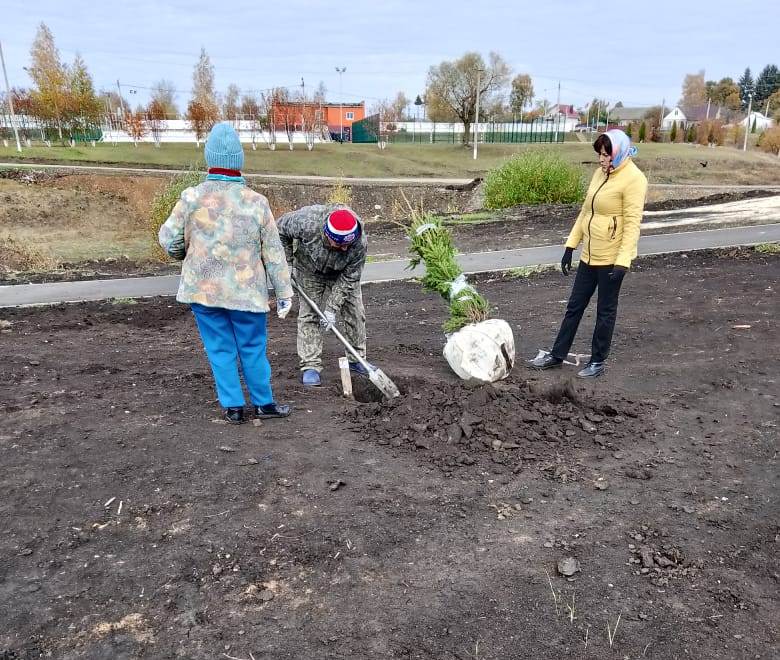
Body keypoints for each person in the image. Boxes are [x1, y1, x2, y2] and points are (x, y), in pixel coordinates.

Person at [159, 122, 294, 424]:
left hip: (204, 290)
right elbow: (273, 251)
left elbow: (169, 239)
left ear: (210, 159)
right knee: (252, 347)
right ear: (239, 162)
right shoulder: (257, 203)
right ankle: (264, 404)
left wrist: (184, 252)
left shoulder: (192, 197)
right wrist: (284, 292)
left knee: (219, 348)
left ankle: (233, 408)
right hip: (246, 292)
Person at [529, 129, 648, 378]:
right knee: (574, 307)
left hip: (612, 259)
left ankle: (597, 361)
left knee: (605, 311)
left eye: (606, 155)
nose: (601, 160)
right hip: (589, 255)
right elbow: (586, 212)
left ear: (619, 152)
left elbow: (632, 223)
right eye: (599, 155)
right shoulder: (599, 174)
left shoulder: (634, 179)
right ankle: (557, 354)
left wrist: (623, 261)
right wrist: (570, 246)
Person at [276, 204, 371, 387]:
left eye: (347, 245)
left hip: (342, 273)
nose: (344, 249)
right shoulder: (306, 221)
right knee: (309, 314)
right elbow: (278, 230)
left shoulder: (359, 242)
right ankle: (310, 366)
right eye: (340, 244)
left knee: (355, 313)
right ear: (328, 235)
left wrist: (331, 309)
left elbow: (351, 277)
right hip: (309, 270)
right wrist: (285, 263)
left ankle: (357, 359)